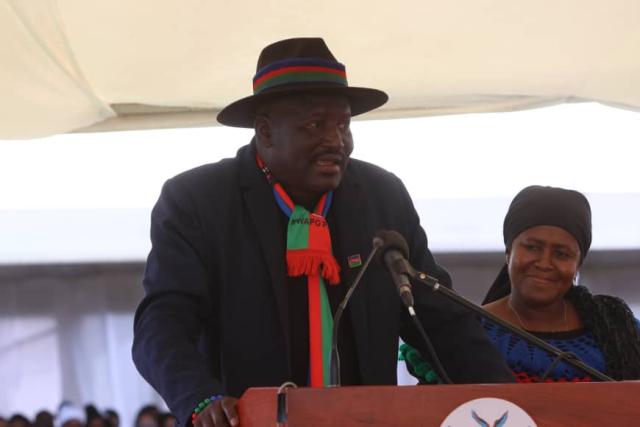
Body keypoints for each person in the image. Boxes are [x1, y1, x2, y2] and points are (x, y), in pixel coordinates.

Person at [132, 37, 513, 427]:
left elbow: (441, 322)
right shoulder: (199, 201)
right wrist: (200, 398)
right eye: (315, 125)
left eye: (344, 124)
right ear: (265, 132)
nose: (336, 141)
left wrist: (512, 402)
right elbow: (161, 325)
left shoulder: (382, 197)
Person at [403, 185, 640, 383]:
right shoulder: (464, 331)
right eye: (532, 247)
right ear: (509, 252)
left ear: (578, 264)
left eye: (562, 254)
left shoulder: (617, 328)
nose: (544, 263)